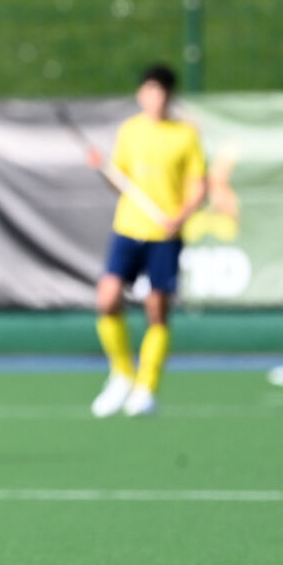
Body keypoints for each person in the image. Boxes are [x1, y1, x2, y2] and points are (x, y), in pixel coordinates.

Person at [87, 63, 207, 418]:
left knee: (157, 308)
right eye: (150, 91)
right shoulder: (130, 131)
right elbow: (118, 181)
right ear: (141, 94)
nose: (156, 99)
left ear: (170, 96)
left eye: (162, 92)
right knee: (107, 298)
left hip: (164, 234)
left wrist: (180, 217)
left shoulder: (185, 135)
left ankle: (146, 387)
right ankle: (122, 374)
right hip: (128, 228)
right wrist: (103, 168)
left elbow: (198, 187)